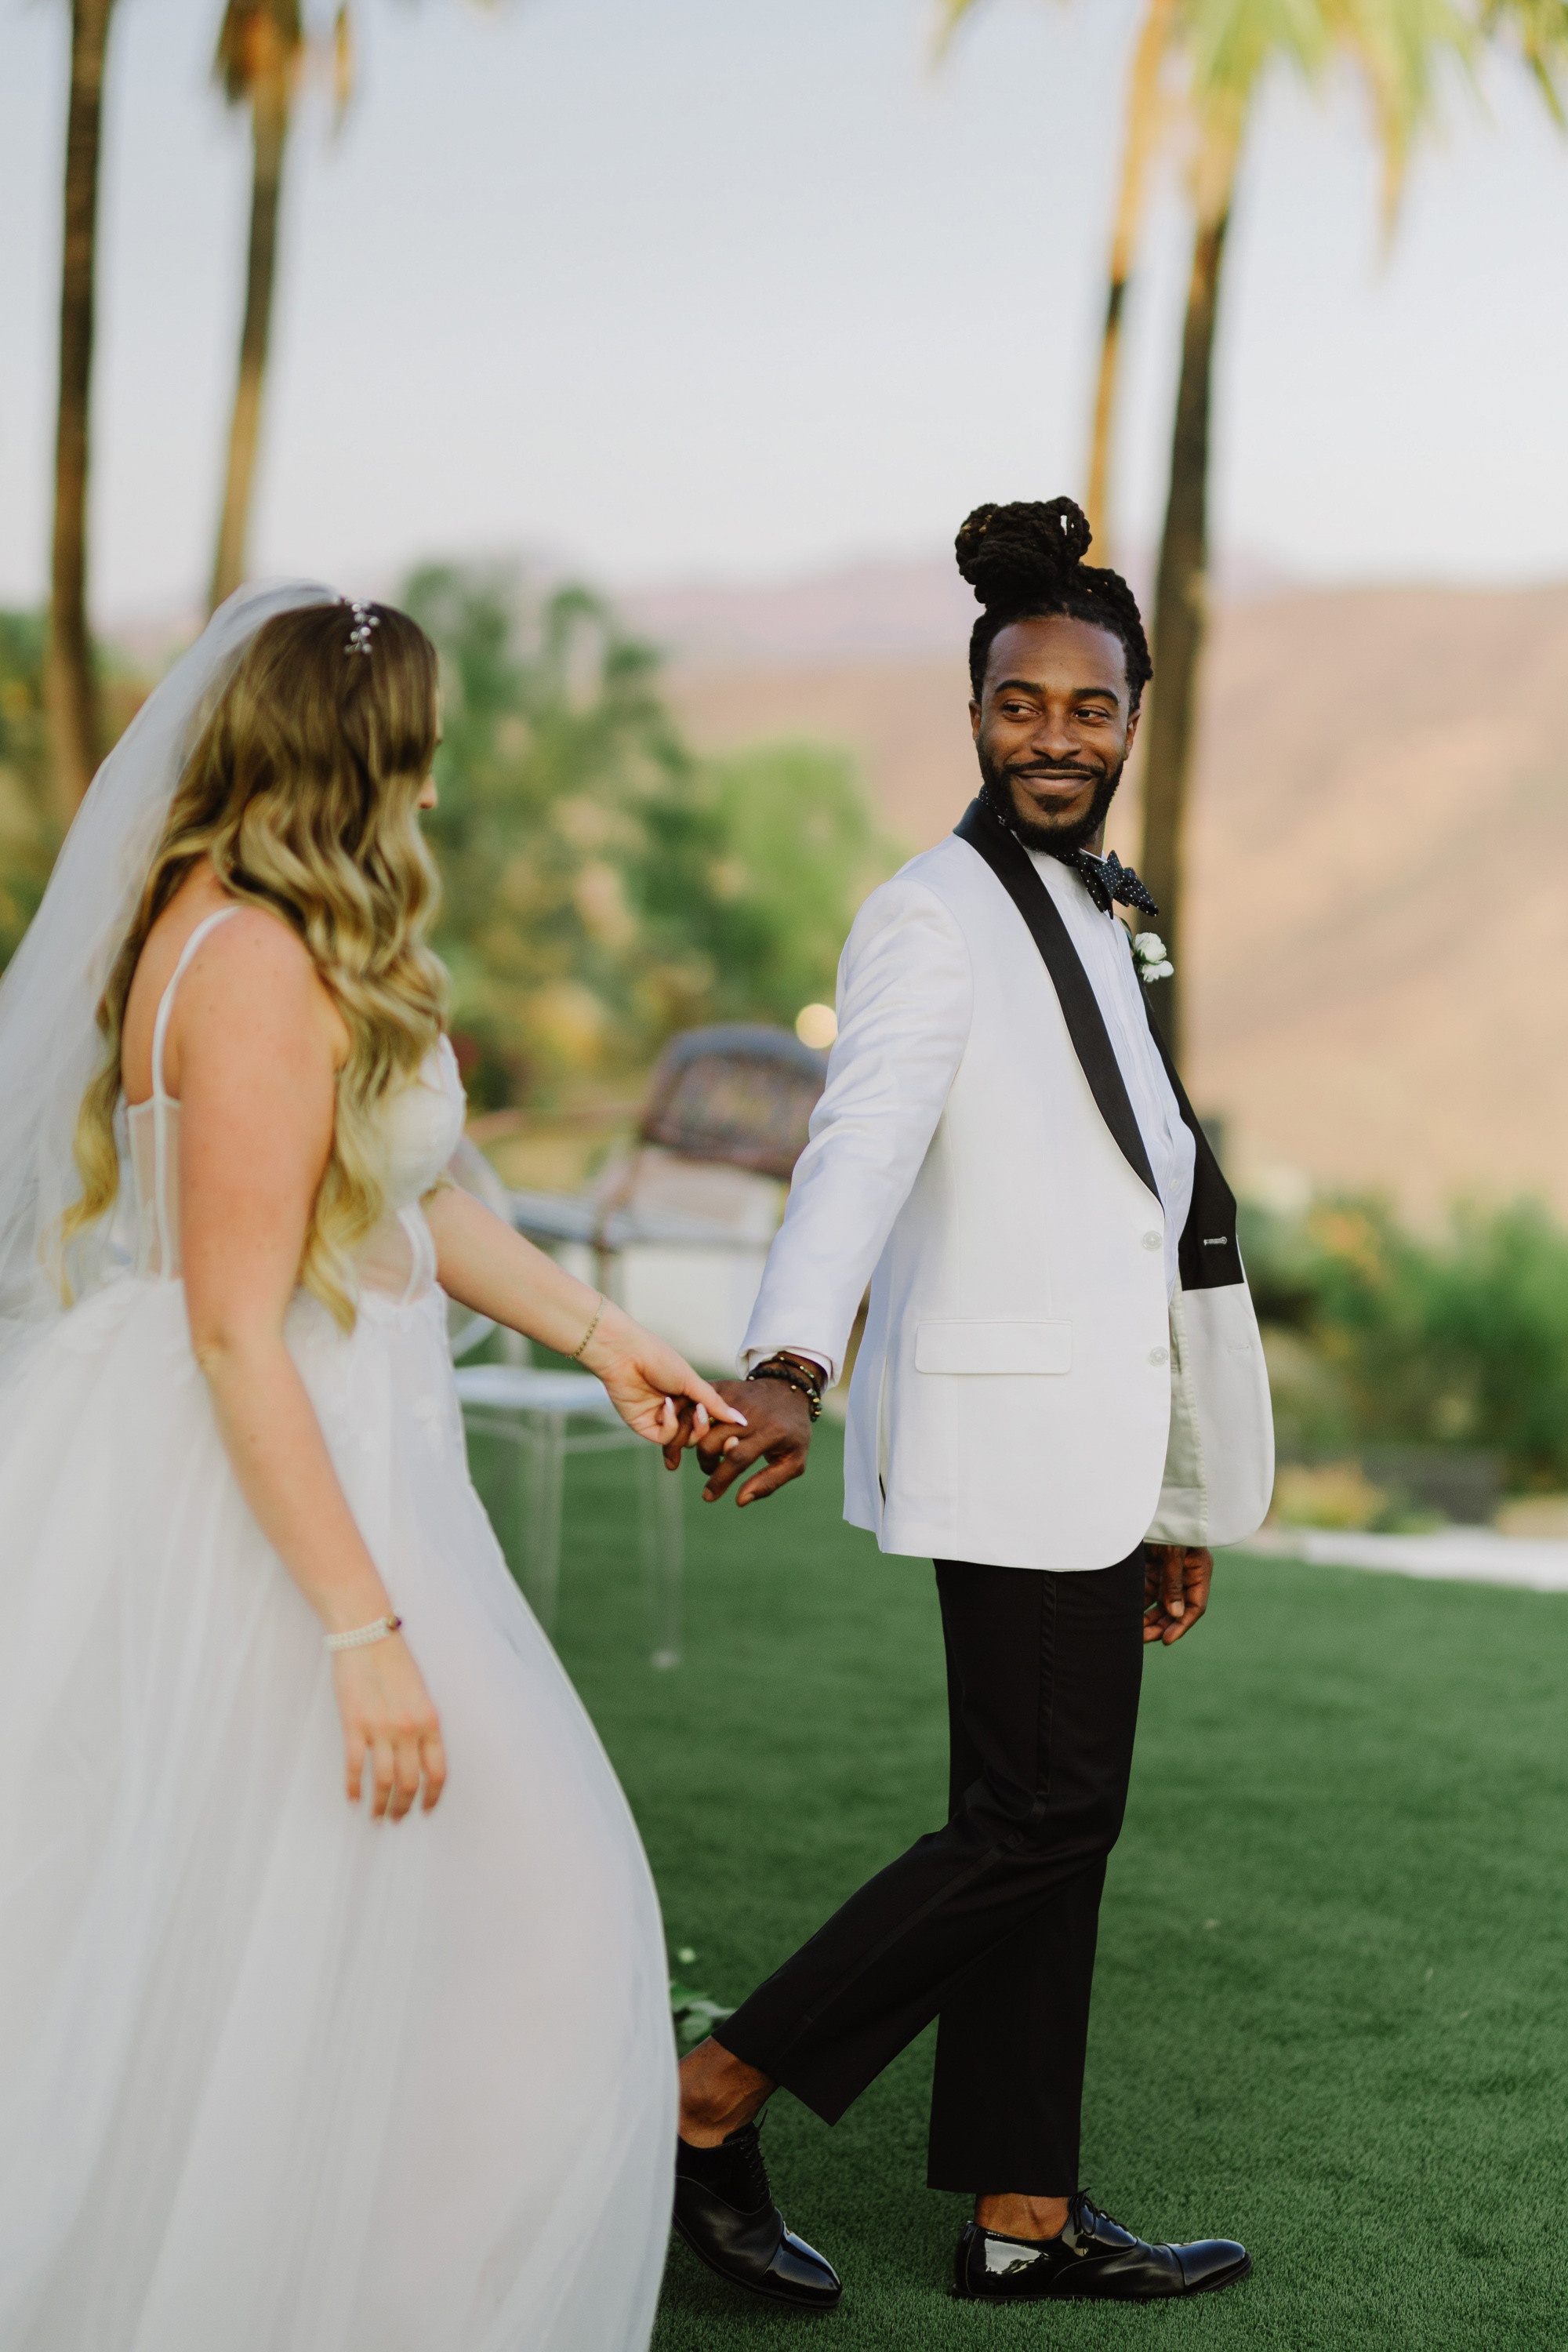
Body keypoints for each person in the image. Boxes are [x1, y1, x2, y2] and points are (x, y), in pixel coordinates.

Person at [0, 583, 743, 2352]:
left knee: (357, 1951)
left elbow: (422, 1193)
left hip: (354, 1468)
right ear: (356, 757)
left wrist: (604, 1338)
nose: (435, 787)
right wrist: (361, 1629)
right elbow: (237, 1327)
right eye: (417, 755)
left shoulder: (285, 935)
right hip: (280, 1502)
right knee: (535, 1936)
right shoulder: (248, 968)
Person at [672, 497, 1276, 2310]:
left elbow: (1143, 1193)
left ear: (1127, 722)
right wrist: (788, 1360)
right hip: (1001, 1443)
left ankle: (1022, 2216)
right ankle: (709, 2096)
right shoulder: (929, 917)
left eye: (1088, 710)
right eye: (1023, 706)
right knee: (1032, 1820)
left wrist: (1174, 1484)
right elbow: (853, 1147)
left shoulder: (1095, 911)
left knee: (1042, 1826)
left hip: (1088, 1452)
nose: (1055, 739)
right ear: (975, 715)